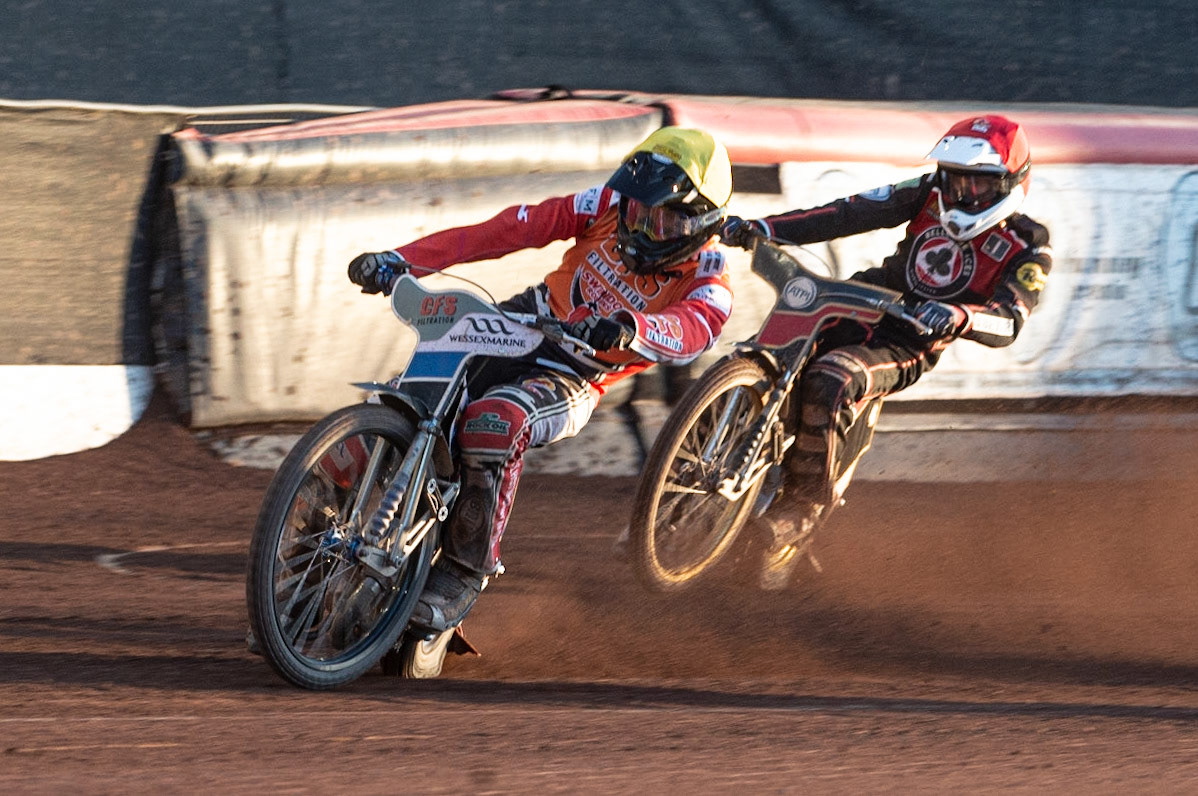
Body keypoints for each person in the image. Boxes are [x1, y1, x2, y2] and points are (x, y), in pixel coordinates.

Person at [347, 127, 736, 631]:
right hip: (522, 320)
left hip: (576, 373)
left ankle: (466, 570)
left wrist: (630, 327)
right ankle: (309, 523)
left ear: (697, 222)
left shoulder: (711, 281)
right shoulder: (606, 202)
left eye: (655, 217)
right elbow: (510, 229)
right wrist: (405, 258)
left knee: (492, 423)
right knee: (405, 396)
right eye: (633, 210)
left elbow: (690, 332)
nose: (634, 225)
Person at [720, 114, 1053, 590]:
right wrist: (763, 227)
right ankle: (693, 472)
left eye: (976, 184)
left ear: (1009, 183)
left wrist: (961, 316)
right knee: (758, 354)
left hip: (910, 339)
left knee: (834, 377)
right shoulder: (925, 193)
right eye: (954, 179)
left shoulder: (1028, 246)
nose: (960, 194)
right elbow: (846, 213)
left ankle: (802, 506)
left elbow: (1010, 318)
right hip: (862, 299)